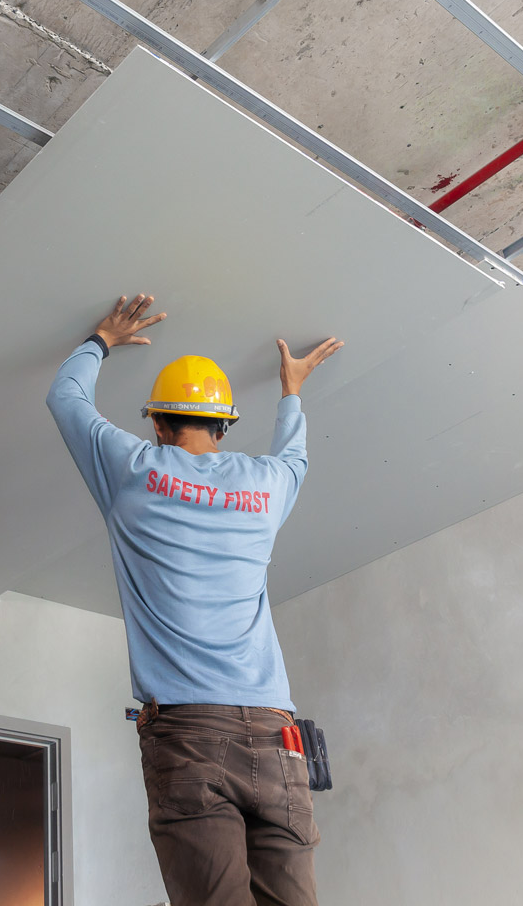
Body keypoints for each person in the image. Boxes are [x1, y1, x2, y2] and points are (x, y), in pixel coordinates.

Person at [46, 294, 343, 906]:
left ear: (157, 423)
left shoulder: (131, 471)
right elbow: (295, 456)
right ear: (224, 425)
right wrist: (291, 390)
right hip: (274, 731)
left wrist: (101, 338)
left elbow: (65, 399)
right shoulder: (264, 486)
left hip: (188, 731)